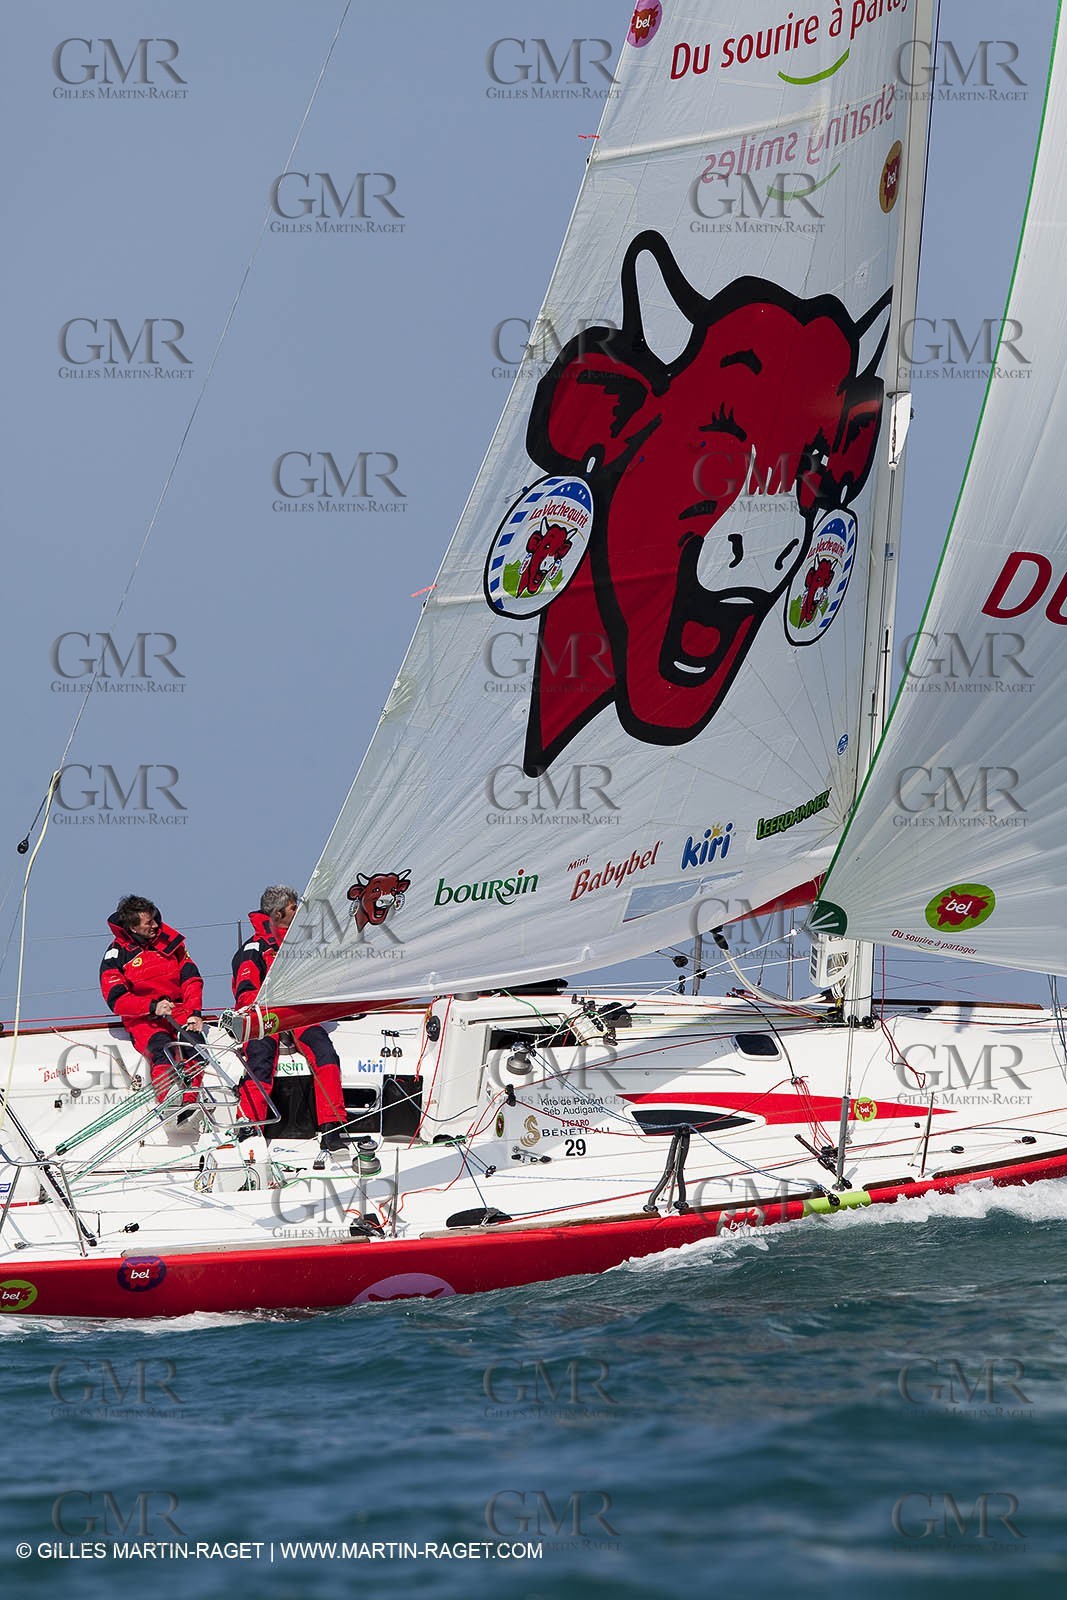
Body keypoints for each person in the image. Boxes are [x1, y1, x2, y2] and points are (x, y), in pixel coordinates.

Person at [232, 885, 350, 1151]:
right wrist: (256, 1017)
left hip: (298, 1013)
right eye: (293, 908)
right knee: (260, 1061)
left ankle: (333, 1126)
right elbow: (246, 991)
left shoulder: (301, 944)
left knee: (325, 1055)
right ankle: (249, 1125)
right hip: (264, 1016)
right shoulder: (255, 947)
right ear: (276, 914)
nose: (299, 912)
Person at [99, 895, 206, 1118]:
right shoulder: (115, 955)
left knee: (195, 1043)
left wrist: (195, 1012)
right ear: (132, 927)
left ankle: (191, 1100)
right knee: (161, 1049)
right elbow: (117, 1000)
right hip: (143, 1018)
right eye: (149, 922)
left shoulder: (172, 944)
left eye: (155, 919)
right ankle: (167, 1101)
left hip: (178, 1010)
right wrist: (152, 1006)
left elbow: (191, 979)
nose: (156, 925)